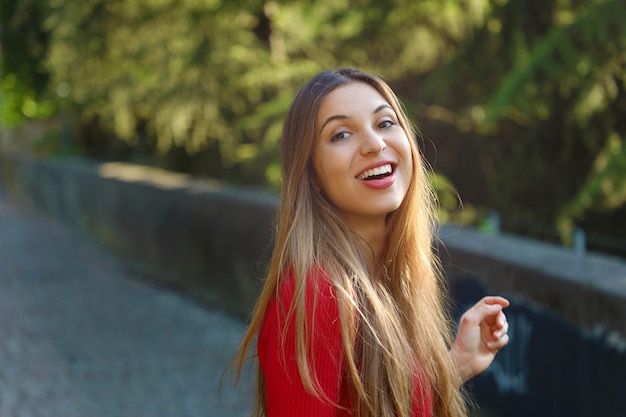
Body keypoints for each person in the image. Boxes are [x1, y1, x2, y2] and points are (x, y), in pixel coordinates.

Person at [234, 68, 509, 417]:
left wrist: (457, 365)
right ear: (312, 175)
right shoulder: (318, 295)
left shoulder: (388, 280)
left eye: (384, 123)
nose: (375, 144)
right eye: (341, 134)